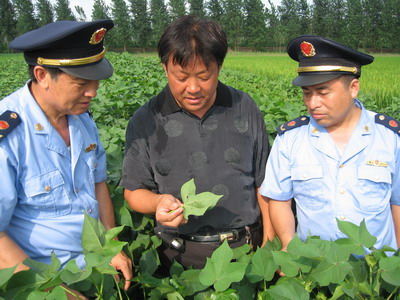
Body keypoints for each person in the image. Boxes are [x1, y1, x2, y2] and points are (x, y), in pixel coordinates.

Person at [121, 15, 274, 270]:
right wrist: (158, 203)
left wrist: (269, 242)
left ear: (219, 67)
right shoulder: (145, 120)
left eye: (204, 76)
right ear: (165, 68)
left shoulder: (244, 107)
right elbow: (133, 191)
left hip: (246, 251)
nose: (193, 88)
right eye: (181, 77)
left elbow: (265, 183)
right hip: (179, 257)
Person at [0, 20, 132, 293]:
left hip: (95, 269)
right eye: (81, 82)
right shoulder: (9, 136)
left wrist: (109, 248)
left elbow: (98, 185)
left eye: (95, 81)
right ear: (42, 75)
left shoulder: (82, 120)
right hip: (42, 282)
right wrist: (58, 293)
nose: (93, 92)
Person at [260, 35, 400, 253]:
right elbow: (279, 199)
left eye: (323, 92)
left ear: (353, 88)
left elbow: (397, 202)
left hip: (376, 273)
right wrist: (289, 243)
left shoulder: (389, 138)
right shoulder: (290, 139)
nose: (313, 103)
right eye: (307, 93)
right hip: (314, 267)